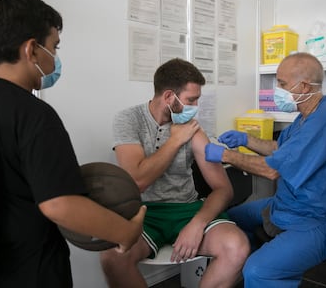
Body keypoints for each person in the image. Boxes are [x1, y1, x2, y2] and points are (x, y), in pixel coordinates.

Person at [0, 0, 146, 288]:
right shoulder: (34, 115)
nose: (55, 57)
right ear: (32, 49)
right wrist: (125, 232)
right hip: (31, 270)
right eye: (54, 46)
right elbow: (60, 205)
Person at [205, 52, 326, 287]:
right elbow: (279, 148)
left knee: (259, 271)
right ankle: (250, 262)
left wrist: (225, 155)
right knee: (230, 219)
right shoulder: (305, 117)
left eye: (282, 84)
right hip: (290, 205)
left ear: (304, 86)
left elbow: (272, 170)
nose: (276, 91)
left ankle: (270, 271)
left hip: (323, 219)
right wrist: (245, 139)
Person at [100, 58, 250, 288]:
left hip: (187, 209)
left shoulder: (192, 127)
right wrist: (176, 140)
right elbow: (137, 181)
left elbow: (223, 188)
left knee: (236, 247)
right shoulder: (129, 120)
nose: (195, 107)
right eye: (191, 100)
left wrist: (197, 224)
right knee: (112, 257)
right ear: (169, 97)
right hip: (143, 212)